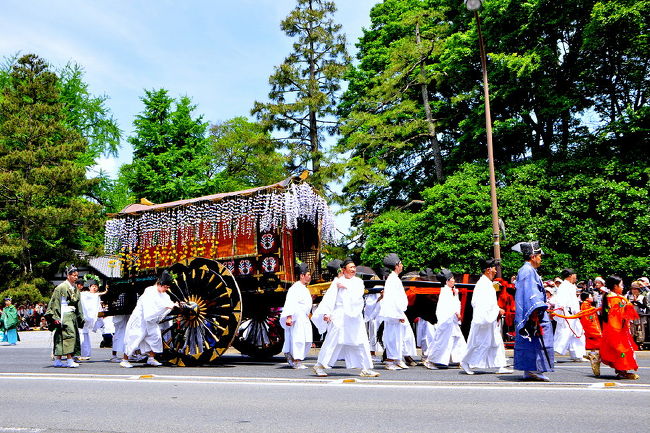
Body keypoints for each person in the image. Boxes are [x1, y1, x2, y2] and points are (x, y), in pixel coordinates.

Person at [311, 258, 379, 377]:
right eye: (351, 267)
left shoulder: (358, 281)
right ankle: (319, 365)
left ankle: (366, 368)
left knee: (361, 340)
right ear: (344, 269)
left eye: (354, 267)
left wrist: (346, 288)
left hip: (354, 315)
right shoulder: (337, 282)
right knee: (333, 340)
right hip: (340, 314)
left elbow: (358, 296)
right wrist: (327, 312)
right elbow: (329, 299)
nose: (353, 269)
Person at [460, 258, 512, 375]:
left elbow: (490, 303)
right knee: (476, 342)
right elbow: (480, 303)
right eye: (494, 268)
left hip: (489, 318)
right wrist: (496, 311)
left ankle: (500, 365)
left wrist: (497, 309)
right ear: (488, 270)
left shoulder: (487, 283)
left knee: (496, 342)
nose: (495, 271)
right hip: (483, 319)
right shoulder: (482, 284)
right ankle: (465, 362)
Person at [512, 241, 554, 381]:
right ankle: (533, 369)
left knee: (532, 342)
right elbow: (530, 294)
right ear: (532, 256)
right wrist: (535, 311)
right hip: (533, 313)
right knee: (535, 342)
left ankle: (531, 369)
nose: (541, 259)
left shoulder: (528, 270)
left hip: (533, 311)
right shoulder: (527, 271)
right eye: (539, 256)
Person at [121, 271, 178, 368]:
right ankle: (124, 360)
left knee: (156, 337)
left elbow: (168, 303)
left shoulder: (165, 295)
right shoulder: (149, 291)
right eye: (165, 287)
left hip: (151, 321)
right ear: (160, 284)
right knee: (134, 338)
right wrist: (167, 306)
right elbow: (152, 307)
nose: (166, 289)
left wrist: (174, 305)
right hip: (140, 320)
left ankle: (151, 358)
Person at [591, 275, 639, 380]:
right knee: (621, 350)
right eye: (621, 285)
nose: (623, 287)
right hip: (616, 329)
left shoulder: (610, 297)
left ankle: (619, 369)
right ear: (615, 286)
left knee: (616, 350)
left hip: (613, 329)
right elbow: (616, 315)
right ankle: (621, 371)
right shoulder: (615, 299)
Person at [377, 253, 416, 370]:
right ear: (396, 265)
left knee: (400, 336)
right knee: (393, 337)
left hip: (396, 312)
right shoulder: (392, 280)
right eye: (400, 264)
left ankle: (398, 358)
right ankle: (390, 361)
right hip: (394, 313)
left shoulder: (394, 279)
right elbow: (393, 299)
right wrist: (398, 314)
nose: (402, 266)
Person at [424, 269, 466, 369]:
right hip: (446, 321)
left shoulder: (450, 291)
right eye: (452, 279)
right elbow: (447, 308)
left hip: (451, 321)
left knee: (458, 340)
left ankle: (462, 359)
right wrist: (456, 313)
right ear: (447, 281)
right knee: (441, 342)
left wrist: (456, 296)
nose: (454, 280)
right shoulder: (445, 292)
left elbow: (454, 304)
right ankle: (431, 360)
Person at [45, 266, 85, 368]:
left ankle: (58, 360)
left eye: (77, 275)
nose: (76, 277)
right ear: (68, 275)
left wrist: (80, 317)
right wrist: (56, 317)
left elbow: (78, 304)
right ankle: (69, 359)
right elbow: (55, 302)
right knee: (69, 336)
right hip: (63, 313)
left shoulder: (75, 288)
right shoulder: (61, 287)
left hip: (71, 313)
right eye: (73, 275)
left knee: (63, 336)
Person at [280, 263, 314, 369]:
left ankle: (294, 357)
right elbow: (290, 302)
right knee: (298, 339)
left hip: (304, 316)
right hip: (297, 316)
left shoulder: (304, 288)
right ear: (302, 275)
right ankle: (296, 361)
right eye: (308, 274)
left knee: (307, 339)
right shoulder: (295, 288)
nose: (310, 276)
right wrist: (289, 317)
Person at [553, 269, 587, 361]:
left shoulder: (571, 286)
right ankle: (551, 355)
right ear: (570, 275)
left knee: (578, 332)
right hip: (566, 314)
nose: (576, 277)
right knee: (563, 334)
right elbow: (561, 301)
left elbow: (574, 301)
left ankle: (577, 355)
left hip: (573, 314)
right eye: (575, 275)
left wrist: (577, 311)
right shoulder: (563, 286)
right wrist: (563, 313)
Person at [79, 279, 106, 360]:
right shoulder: (85, 294)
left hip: (89, 319)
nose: (94, 288)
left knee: (85, 335)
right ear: (89, 287)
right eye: (93, 286)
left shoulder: (97, 297)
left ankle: (86, 354)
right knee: (81, 336)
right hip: (84, 317)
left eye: (96, 287)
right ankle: (81, 354)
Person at [578, 291, 601, 369]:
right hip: (590, 325)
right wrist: (591, 322)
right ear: (587, 298)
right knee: (593, 338)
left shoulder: (588, 305)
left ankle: (593, 352)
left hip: (592, 324)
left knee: (593, 339)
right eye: (591, 296)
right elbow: (587, 316)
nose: (592, 297)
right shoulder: (585, 304)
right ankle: (592, 353)